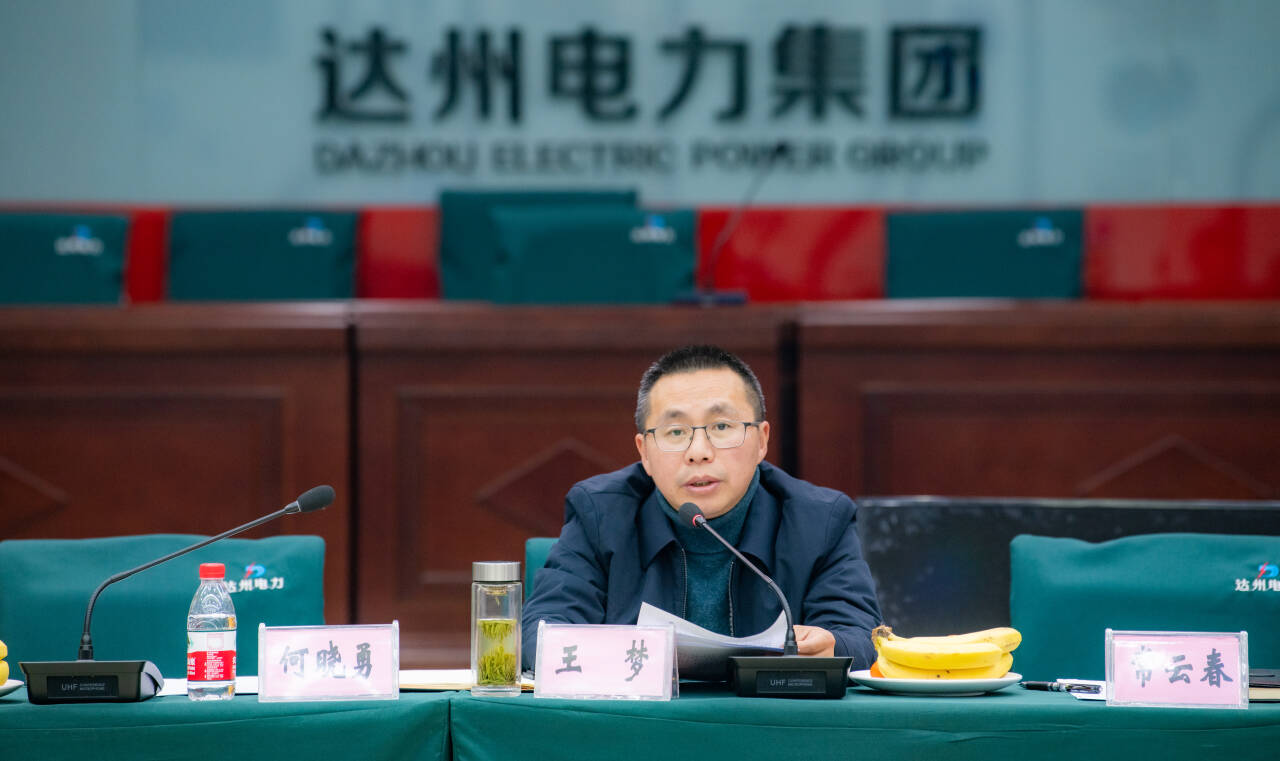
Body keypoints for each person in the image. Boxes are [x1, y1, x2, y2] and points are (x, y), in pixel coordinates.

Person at [521, 345, 881, 671]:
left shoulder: (819, 520)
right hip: (641, 718)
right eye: (675, 432)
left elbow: (861, 638)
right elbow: (542, 635)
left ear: (762, 440)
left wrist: (833, 646)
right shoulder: (600, 514)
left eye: (721, 426)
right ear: (644, 452)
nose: (698, 452)